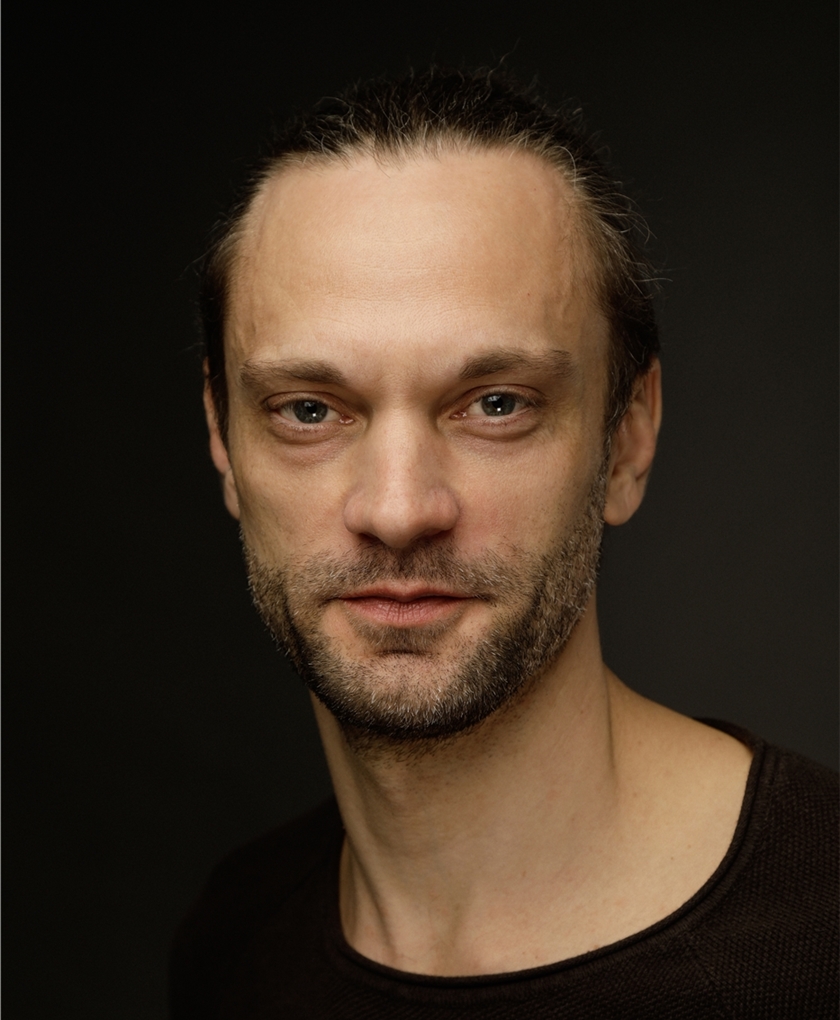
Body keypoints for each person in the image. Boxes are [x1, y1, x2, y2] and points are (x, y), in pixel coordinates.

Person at [170, 68, 838, 1018]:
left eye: (495, 404)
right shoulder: (233, 943)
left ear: (628, 436)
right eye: (309, 410)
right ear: (222, 441)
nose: (398, 509)